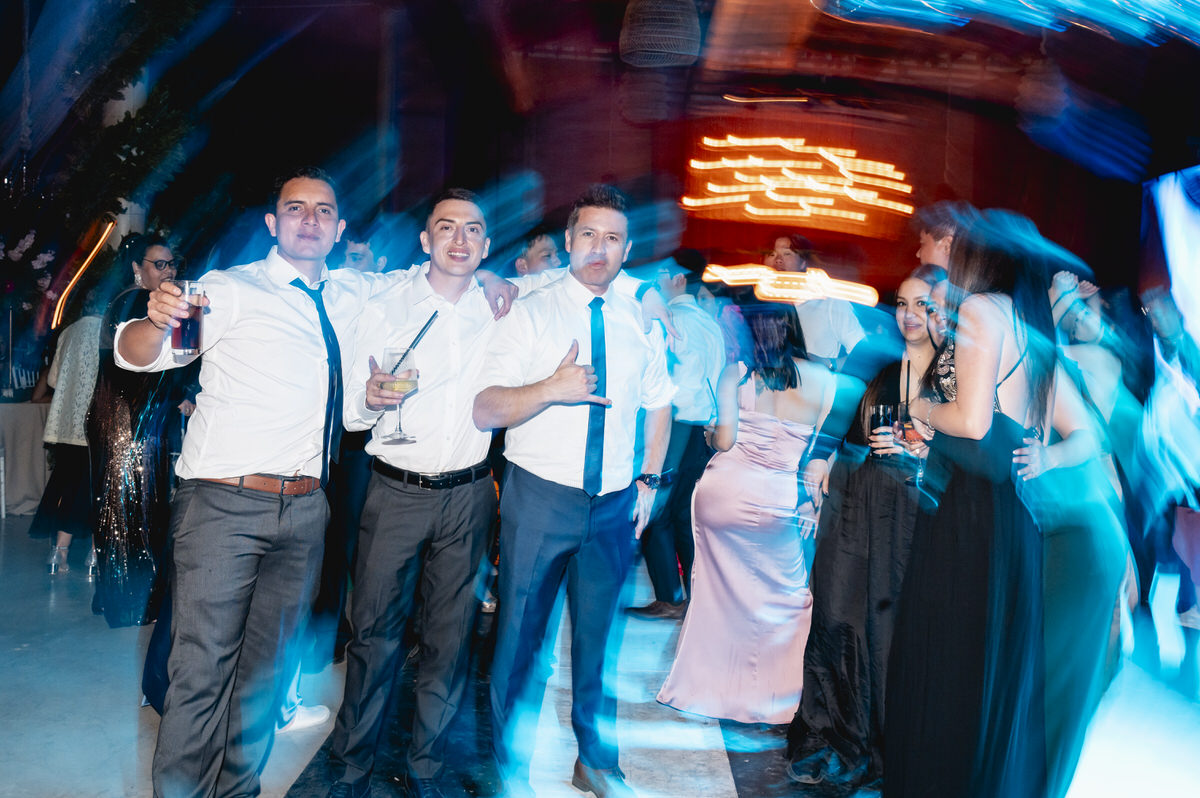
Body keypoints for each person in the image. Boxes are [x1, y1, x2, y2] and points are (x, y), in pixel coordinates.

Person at [114, 167, 411, 798]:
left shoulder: (349, 295)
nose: (310, 219)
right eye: (295, 208)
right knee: (202, 672)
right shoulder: (227, 290)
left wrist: (493, 281)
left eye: (323, 210)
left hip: (305, 510)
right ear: (273, 224)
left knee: (265, 676)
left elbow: (420, 282)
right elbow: (146, 354)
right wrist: (155, 319)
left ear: (339, 228)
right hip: (223, 504)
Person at [893, 210, 1104, 798]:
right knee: (990, 665)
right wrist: (1047, 458)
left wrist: (919, 410)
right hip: (1014, 517)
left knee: (950, 658)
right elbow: (1086, 435)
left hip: (969, 514)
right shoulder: (1032, 329)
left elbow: (972, 421)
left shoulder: (982, 310)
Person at [474, 185, 674, 798]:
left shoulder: (640, 319)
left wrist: (649, 480)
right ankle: (505, 768)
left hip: (613, 506)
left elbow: (660, 403)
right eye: (588, 235)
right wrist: (551, 390)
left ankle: (595, 761)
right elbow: (486, 408)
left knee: (599, 646)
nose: (599, 249)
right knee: (519, 642)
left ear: (627, 250)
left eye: (612, 239)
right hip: (541, 498)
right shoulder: (531, 311)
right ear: (568, 241)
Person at [326, 189, 501, 798]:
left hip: (470, 493)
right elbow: (351, 411)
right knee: (374, 634)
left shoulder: (500, 309)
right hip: (395, 490)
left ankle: (427, 767)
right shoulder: (386, 305)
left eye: (472, 230)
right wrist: (368, 399)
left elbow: (568, 282)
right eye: (446, 227)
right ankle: (352, 768)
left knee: (451, 639)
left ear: (486, 244)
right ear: (425, 241)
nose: (459, 239)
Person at [784, 263, 946, 789]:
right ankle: (835, 729)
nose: (909, 315)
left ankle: (887, 741)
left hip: (911, 515)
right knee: (836, 614)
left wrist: (921, 452)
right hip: (856, 503)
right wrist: (820, 458)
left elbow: (968, 453)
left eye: (922, 304)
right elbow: (841, 422)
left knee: (890, 630)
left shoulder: (954, 377)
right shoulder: (878, 363)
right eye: (902, 303)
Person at [656, 302, 834, 724]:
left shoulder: (737, 374)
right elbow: (823, 445)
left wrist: (709, 433)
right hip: (780, 498)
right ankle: (777, 699)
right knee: (785, 596)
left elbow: (725, 440)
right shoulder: (824, 378)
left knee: (718, 596)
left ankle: (711, 691)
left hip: (728, 494)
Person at [87, 232, 182, 627]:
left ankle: (117, 598)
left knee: (127, 508)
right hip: (127, 423)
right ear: (137, 269)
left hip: (135, 420)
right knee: (130, 509)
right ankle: (132, 604)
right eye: (158, 264)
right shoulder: (137, 302)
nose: (168, 271)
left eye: (171, 264)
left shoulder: (133, 302)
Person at [627, 249, 725, 620]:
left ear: (680, 279)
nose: (657, 282)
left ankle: (669, 597)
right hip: (700, 430)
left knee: (653, 510)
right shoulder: (710, 324)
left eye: (663, 275)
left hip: (675, 426)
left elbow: (666, 383)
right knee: (684, 515)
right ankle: (696, 599)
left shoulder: (675, 320)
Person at [31, 290, 105, 575]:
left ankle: (58, 553)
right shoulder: (111, 331)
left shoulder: (69, 332)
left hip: (68, 426)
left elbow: (52, 379)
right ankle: (95, 556)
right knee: (99, 491)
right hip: (98, 424)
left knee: (69, 488)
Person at [765, 232, 865, 371]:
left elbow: (862, 355)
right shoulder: (757, 307)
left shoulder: (830, 303)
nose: (778, 260)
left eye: (787, 253)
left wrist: (826, 363)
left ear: (803, 262)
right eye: (772, 254)